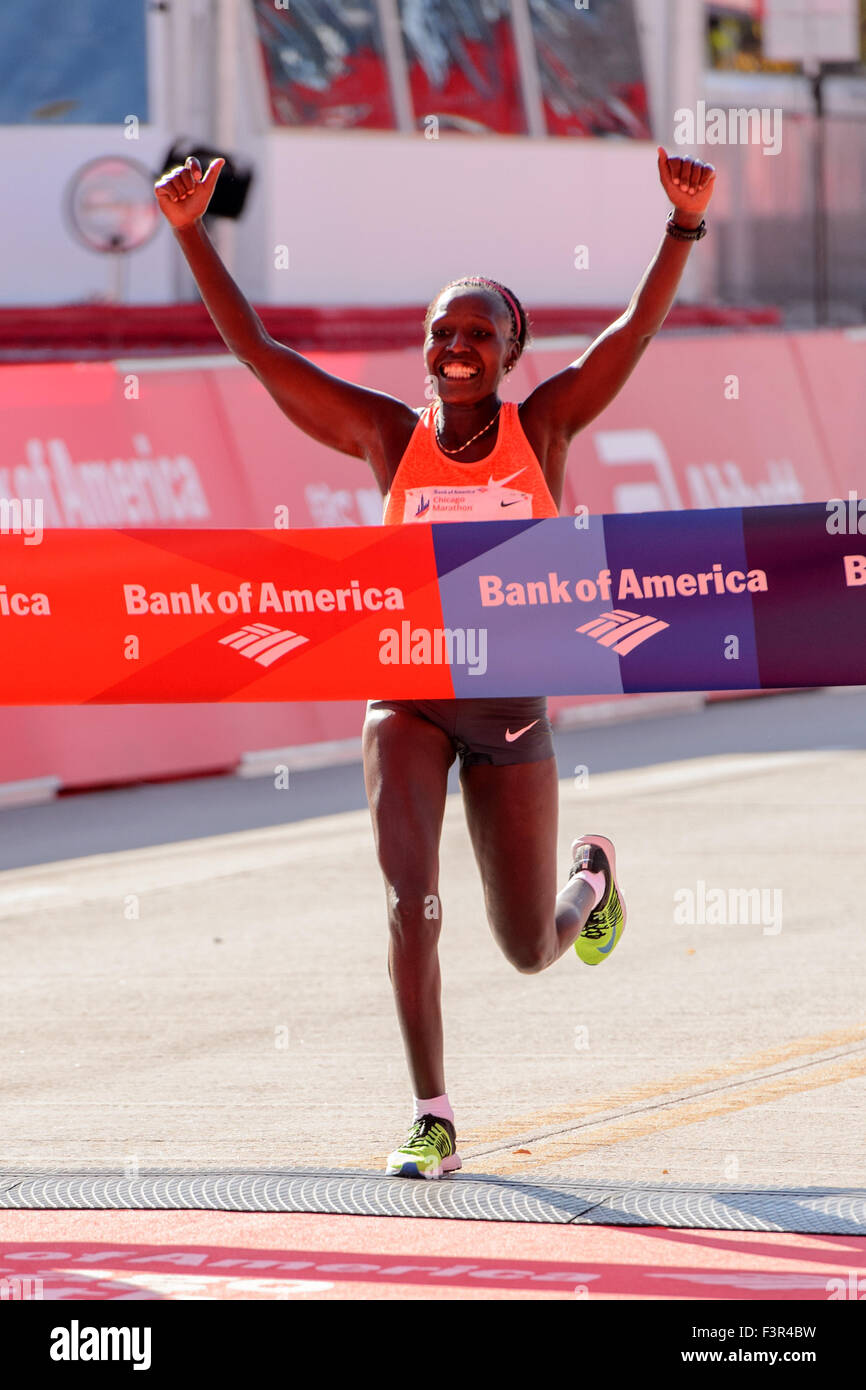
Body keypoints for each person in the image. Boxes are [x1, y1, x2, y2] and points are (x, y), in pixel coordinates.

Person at [154, 145, 716, 1179]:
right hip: (406, 694)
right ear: (422, 350)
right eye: (440, 333)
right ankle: (433, 1114)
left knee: (525, 947)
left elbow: (628, 334)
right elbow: (259, 351)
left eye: (478, 334)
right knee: (409, 896)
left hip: (507, 714)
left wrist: (680, 227)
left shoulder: (540, 429)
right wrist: (190, 234)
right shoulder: (385, 437)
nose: (455, 347)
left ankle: (588, 887)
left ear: (508, 354)